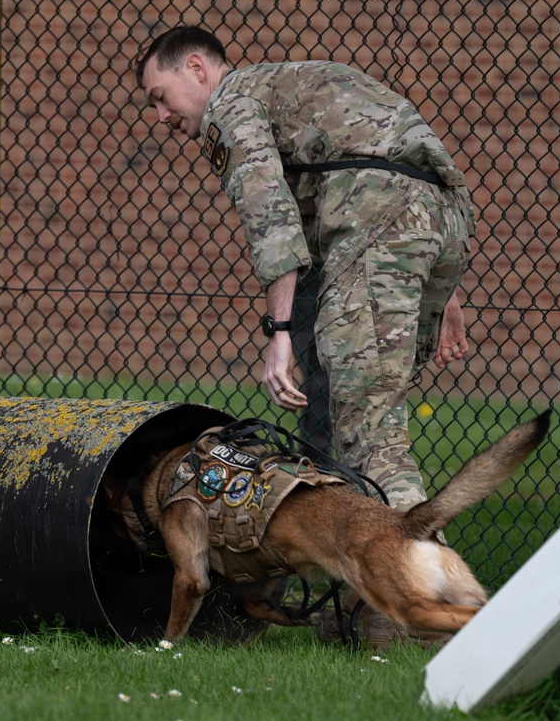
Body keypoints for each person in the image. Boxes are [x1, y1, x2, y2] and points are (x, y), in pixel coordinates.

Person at [134, 25, 475, 518]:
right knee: (370, 417)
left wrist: (278, 334)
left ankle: (421, 585)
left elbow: (268, 213)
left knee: (370, 438)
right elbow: (399, 165)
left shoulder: (229, 104)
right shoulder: (282, 86)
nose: (161, 116)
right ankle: (385, 575)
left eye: (160, 98)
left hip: (380, 222)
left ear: (195, 68)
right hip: (441, 217)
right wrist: (444, 290)